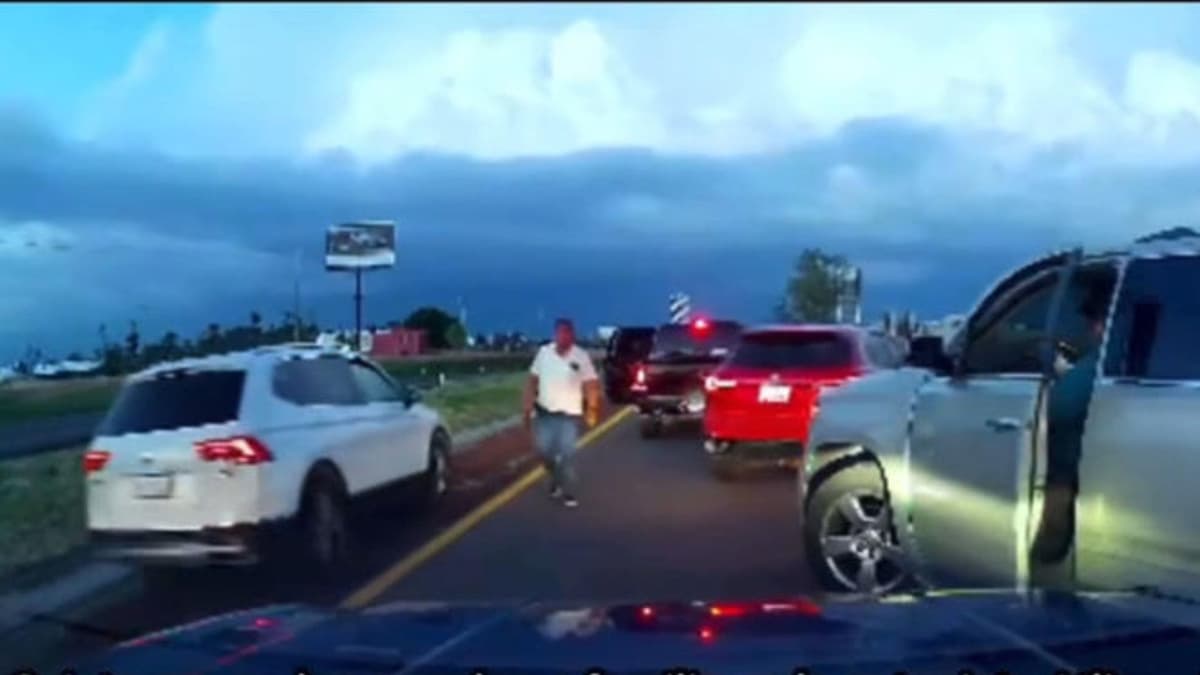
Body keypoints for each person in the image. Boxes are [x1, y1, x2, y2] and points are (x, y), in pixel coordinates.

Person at [1032, 294, 1107, 562]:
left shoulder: (1096, 364)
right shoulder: (1096, 363)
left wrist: (1061, 380)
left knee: (1050, 546)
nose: (1090, 330)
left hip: (1068, 471)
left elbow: (1059, 409)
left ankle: (1047, 585)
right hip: (1090, 468)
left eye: (1093, 323)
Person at [524, 318, 601, 508]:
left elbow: (591, 384)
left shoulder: (581, 356)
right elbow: (532, 380)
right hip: (544, 414)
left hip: (569, 415)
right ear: (555, 334)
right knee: (544, 452)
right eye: (561, 332)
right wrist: (526, 406)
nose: (565, 336)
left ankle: (568, 491)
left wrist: (592, 408)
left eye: (568, 333)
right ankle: (554, 479)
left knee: (566, 454)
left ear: (573, 335)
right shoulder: (544, 353)